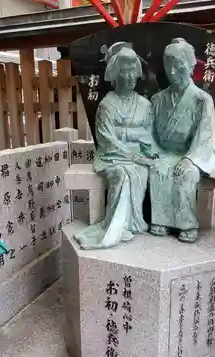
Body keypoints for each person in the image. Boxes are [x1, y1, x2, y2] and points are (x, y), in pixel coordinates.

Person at [74, 42, 158, 250]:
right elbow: (106, 138)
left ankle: (133, 222)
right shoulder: (107, 104)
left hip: (139, 158)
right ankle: (115, 227)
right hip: (111, 158)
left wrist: (149, 152)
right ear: (115, 74)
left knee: (140, 173)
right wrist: (130, 151)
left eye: (132, 71)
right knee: (121, 175)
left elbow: (149, 136)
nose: (129, 77)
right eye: (124, 71)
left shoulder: (145, 105)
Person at [149, 37, 215, 243]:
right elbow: (150, 133)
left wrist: (190, 158)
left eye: (177, 64)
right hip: (164, 152)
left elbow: (205, 136)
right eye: (168, 65)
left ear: (190, 65)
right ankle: (160, 221)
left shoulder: (201, 100)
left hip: (190, 154)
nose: (172, 72)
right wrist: (156, 153)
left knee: (187, 173)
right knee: (157, 169)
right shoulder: (158, 99)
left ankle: (187, 223)